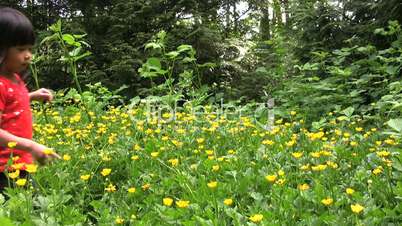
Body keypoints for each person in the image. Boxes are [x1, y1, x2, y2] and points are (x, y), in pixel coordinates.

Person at [0, 7, 60, 189]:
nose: (28, 55)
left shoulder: (13, 78)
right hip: (4, 169)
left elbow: (11, 101)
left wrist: (31, 96)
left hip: (19, 165)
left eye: (29, 49)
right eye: (20, 49)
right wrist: (31, 146)